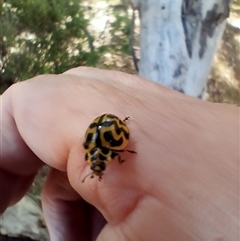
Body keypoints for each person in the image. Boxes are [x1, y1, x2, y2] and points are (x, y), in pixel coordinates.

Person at [1, 67, 238, 241]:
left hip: (108, 126)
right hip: (109, 126)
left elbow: (113, 150)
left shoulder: (99, 148)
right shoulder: (98, 148)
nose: (99, 167)